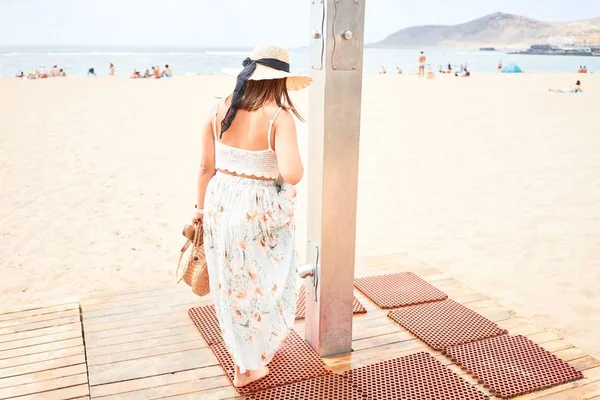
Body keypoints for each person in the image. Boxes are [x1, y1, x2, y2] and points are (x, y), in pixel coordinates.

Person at [191, 43, 311, 388]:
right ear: (279, 80)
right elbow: (293, 173)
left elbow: (204, 167)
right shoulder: (278, 116)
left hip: (219, 203)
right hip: (257, 209)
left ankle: (245, 359)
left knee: (231, 287)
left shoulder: (219, 110)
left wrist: (199, 210)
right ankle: (249, 364)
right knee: (264, 282)